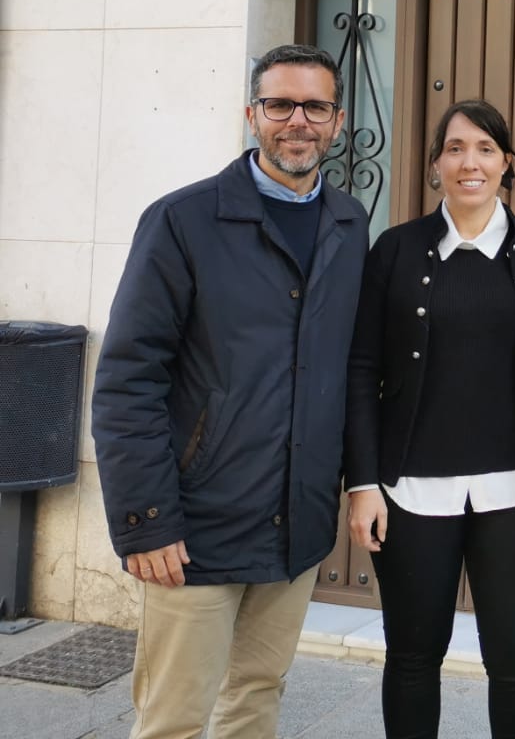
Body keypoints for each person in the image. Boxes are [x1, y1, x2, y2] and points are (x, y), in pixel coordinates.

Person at [91, 43, 367, 739]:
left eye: (315, 106)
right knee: (174, 718)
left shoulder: (349, 224)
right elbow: (128, 378)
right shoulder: (183, 221)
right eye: (280, 104)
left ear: (336, 122)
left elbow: (349, 367)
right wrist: (145, 518)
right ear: (253, 114)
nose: (297, 121)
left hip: (297, 523)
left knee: (255, 696)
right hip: (195, 529)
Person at [343, 99, 515, 738]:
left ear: (507, 165)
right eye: (456, 148)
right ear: (436, 163)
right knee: (413, 659)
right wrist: (362, 483)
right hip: (412, 493)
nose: (470, 161)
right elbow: (361, 370)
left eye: (486, 149)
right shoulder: (393, 251)